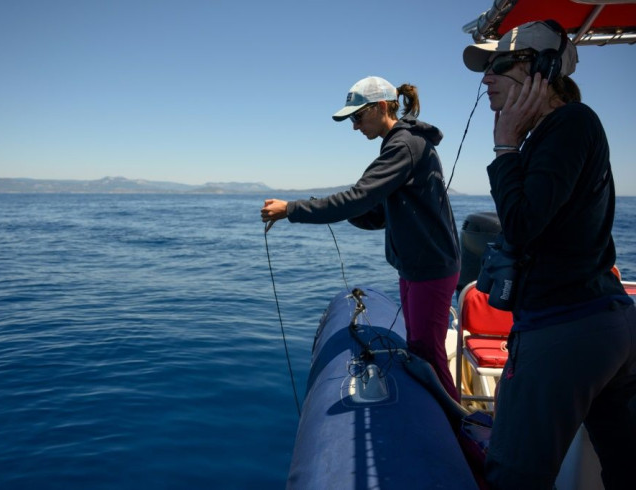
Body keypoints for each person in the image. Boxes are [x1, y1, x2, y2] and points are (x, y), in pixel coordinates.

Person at [463, 20, 636, 489]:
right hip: (599, 322)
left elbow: (521, 223)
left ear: (543, 68)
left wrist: (504, 146)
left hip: (564, 328)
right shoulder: (563, 131)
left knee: (514, 476)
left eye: (500, 64)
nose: (487, 78)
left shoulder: (569, 124)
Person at [260, 76, 461, 402]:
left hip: (430, 268)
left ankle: (464, 438)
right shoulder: (400, 144)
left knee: (428, 355)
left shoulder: (404, 145)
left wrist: (292, 209)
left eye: (357, 116)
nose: (354, 127)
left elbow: (358, 197)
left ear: (381, 107)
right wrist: (342, 210)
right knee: (420, 348)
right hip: (415, 266)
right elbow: (376, 213)